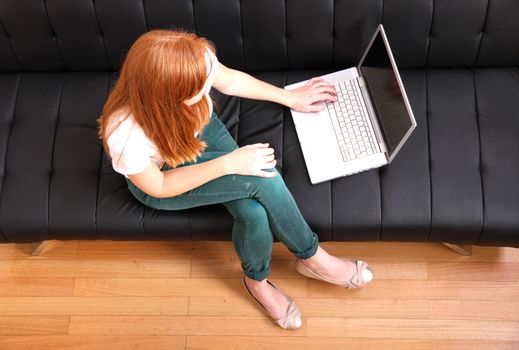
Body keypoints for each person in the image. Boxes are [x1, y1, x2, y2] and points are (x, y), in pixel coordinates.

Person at [97, 29, 374, 330]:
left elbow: (230, 80)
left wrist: (289, 97)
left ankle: (257, 278)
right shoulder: (124, 133)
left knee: (253, 211)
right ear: (166, 95)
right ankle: (310, 259)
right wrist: (228, 163)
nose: (207, 89)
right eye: (197, 89)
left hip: (198, 130)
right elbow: (159, 187)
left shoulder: (192, 59)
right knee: (263, 177)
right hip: (165, 176)